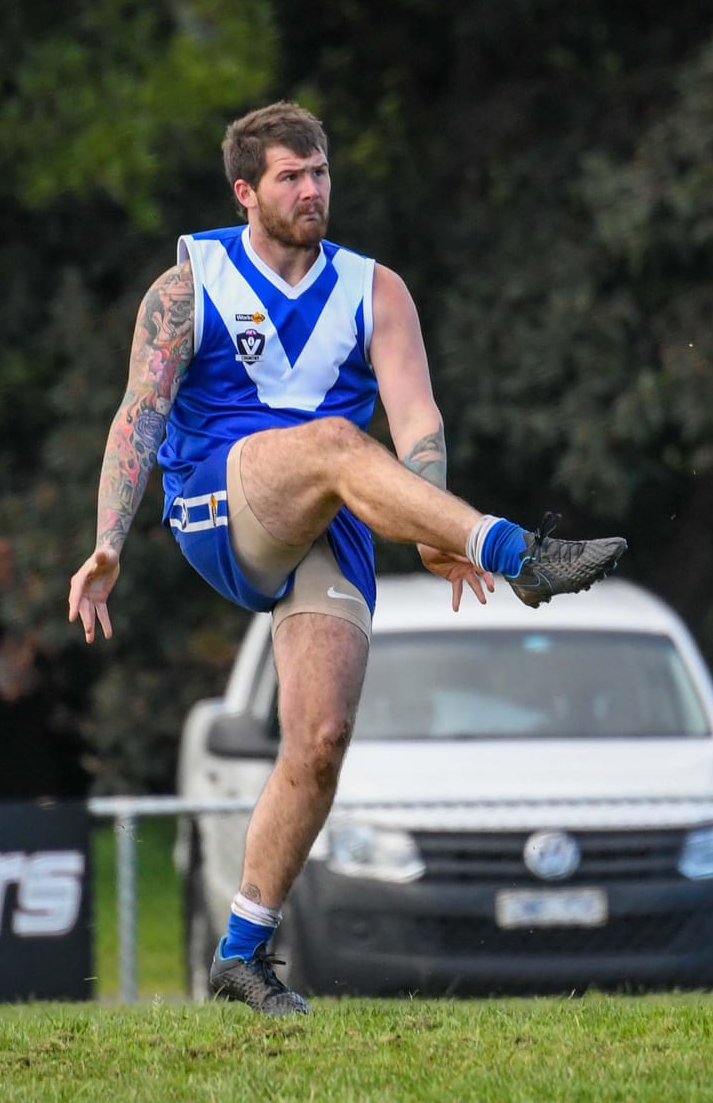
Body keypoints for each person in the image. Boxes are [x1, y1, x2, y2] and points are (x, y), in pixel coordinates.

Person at [66, 102, 626, 1016]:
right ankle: (521, 552)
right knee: (330, 440)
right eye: (290, 176)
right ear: (245, 192)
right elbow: (140, 415)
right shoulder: (188, 282)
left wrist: (431, 518)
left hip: (332, 519)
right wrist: (106, 541)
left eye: (320, 171)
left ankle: (243, 954)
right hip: (219, 501)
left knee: (321, 741)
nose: (312, 189)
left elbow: (418, 422)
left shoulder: (377, 289)